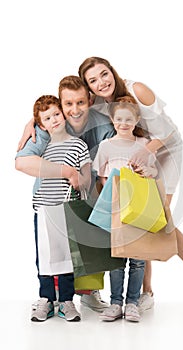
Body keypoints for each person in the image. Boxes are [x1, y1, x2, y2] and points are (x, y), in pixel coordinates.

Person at [78, 56, 183, 320]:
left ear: (112, 71)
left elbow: (168, 132)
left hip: (165, 151)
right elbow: (63, 108)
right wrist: (30, 125)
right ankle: (146, 292)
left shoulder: (137, 90)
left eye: (104, 74)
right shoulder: (99, 101)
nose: (102, 82)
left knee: (160, 220)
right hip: (135, 151)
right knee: (138, 217)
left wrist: (146, 152)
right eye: (93, 80)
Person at [15, 76, 114, 312]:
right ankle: (52, 297)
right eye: (67, 104)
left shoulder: (102, 126)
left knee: (88, 246)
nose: (75, 110)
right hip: (51, 201)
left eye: (81, 102)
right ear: (60, 104)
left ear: (90, 100)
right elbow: (22, 163)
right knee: (52, 251)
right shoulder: (50, 124)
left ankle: (88, 292)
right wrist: (66, 171)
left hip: (90, 194)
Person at [19, 95, 91, 322]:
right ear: (42, 125)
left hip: (67, 208)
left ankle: (67, 301)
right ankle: (46, 299)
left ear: (63, 113)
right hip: (43, 208)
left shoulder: (78, 144)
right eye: (47, 118)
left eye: (56, 114)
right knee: (45, 256)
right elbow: (26, 163)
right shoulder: (42, 147)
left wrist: (79, 178)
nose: (54, 120)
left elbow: (86, 177)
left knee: (67, 256)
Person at [93, 96, 158, 322]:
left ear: (137, 119)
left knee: (138, 259)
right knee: (117, 258)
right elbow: (101, 176)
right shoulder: (106, 146)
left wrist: (147, 172)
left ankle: (132, 303)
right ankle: (115, 303)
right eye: (119, 119)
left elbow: (153, 172)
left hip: (138, 208)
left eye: (128, 119)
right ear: (112, 119)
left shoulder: (142, 145)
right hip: (115, 209)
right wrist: (111, 200)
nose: (123, 123)